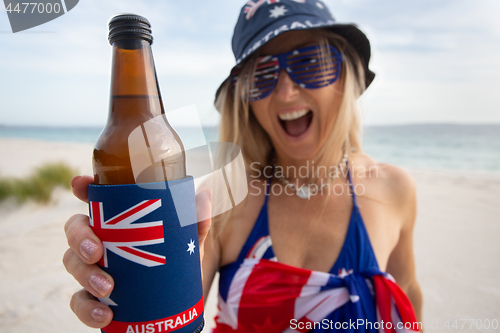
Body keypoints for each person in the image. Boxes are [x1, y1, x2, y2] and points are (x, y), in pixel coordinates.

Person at [63, 0, 423, 331]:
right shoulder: (217, 198)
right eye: (262, 75)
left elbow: (407, 294)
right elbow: (167, 315)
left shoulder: (394, 189)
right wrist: (129, 285)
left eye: (310, 63)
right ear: (244, 99)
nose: (285, 92)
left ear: (344, 75)